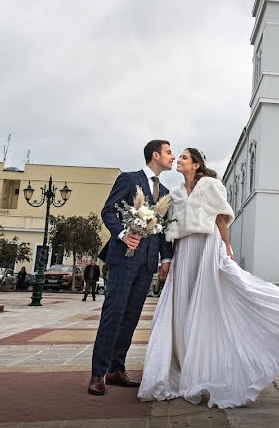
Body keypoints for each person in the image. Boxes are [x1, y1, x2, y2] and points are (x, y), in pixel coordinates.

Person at [138, 148, 279, 409]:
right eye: (177, 157)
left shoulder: (211, 184)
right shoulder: (175, 193)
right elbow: (168, 226)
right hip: (184, 251)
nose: (179, 160)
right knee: (182, 306)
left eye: (184, 158)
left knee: (221, 297)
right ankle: (184, 363)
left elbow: (221, 218)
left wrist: (226, 245)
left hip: (206, 246)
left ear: (196, 164)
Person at [88, 140, 175, 396]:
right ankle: (97, 374)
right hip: (123, 259)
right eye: (169, 152)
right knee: (113, 315)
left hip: (147, 264)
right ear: (155, 155)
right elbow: (108, 212)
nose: (172, 156)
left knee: (130, 318)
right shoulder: (129, 179)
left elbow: (164, 232)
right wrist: (124, 233)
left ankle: (116, 369)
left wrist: (165, 259)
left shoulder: (167, 192)